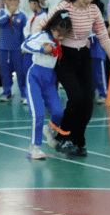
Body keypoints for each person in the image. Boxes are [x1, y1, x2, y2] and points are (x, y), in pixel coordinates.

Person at [34, 0, 110, 156]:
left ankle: (78, 140)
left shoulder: (93, 10)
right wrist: (46, 44)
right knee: (76, 98)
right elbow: (43, 25)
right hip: (65, 57)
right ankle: (61, 135)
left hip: (83, 57)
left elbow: (103, 36)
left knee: (88, 104)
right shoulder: (65, 7)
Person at [22, 10, 72, 159]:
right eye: (58, 31)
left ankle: (49, 130)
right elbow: (25, 45)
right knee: (39, 113)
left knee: (58, 112)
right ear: (51, 27)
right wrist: (42, 49)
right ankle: (34, 148)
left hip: (50, 79)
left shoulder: (62, 40)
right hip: (35, 77)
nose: (61, 35)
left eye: (65, 32)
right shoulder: (42, 36)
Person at [0, 0, 27, 103]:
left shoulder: (22, 15)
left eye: (15, 0)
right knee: (4, 71)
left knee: (20, 71)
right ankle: (6, 92)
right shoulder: (1, 13)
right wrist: (9, 13)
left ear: (18, 1)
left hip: (18, 49)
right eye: (9, 0)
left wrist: (25, 47)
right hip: (3, 48)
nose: (12, 2)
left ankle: (24, 93)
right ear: (4, 0)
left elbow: (25, 31)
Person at [24, 0, 46, 105]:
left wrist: (35, 40)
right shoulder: (31, 15)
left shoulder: (45, 16)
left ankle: (39, 96)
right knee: (27, 72)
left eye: (30, 3)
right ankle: (28, 95)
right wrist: (29, 38)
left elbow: (43, 33)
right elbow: (26, 29)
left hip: (38, 49)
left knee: (38, 73)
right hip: (29, 49)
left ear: (35, 3)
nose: (30, 6)